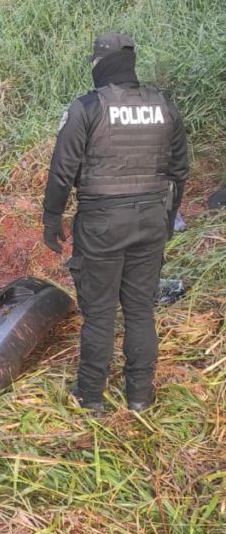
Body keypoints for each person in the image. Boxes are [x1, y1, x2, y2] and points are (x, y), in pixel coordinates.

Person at [42, 33, 189, 416]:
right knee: (140, 309)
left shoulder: (88, 108)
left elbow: (62, 171)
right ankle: (140, 395)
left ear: (102, 64)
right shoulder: (164, 106)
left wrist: (51, 217)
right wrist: (167, 220)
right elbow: (179, 172)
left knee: (101, 312)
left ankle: (90, 396)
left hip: (103, 223)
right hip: (151, 221)